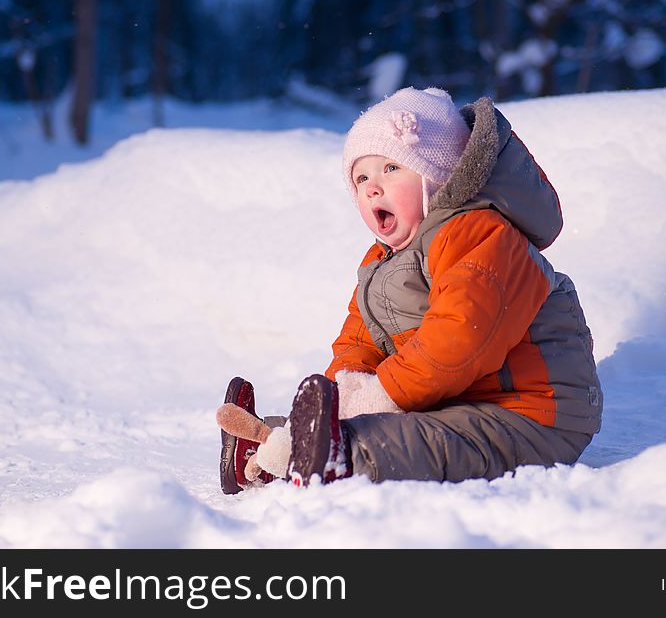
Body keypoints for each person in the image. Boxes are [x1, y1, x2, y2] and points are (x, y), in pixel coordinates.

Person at [217, 87, 602, 494]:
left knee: (417, 441)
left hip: (530, 414)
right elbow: (359, 339)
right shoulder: (381, 260)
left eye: (391, 169)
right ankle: (270, 444)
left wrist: (379, 395)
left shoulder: (483, 236)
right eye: (361, 177)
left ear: (437, 177)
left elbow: (458, 339)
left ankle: (336, 455)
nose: (372, 188)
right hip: (458, 400)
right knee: (381, 419)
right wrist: (345, 390)